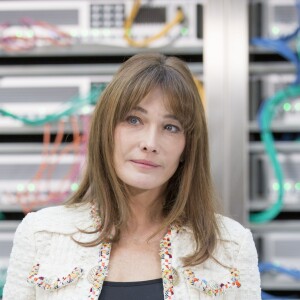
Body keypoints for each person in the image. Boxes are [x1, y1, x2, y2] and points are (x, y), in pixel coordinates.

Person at [3, 52, 261, 300]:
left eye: (170, 127)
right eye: (134, 120)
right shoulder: (42, 235)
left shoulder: (231, 246)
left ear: (187, 147)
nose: (150, 143)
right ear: (107, 130)